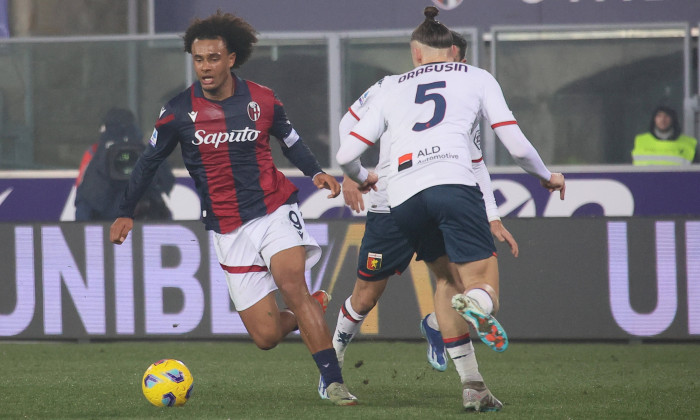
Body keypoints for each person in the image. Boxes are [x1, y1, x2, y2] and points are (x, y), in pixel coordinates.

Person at [108, 11, 357, 406]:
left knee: (292, 282)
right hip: (228, 227)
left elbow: (289, 139)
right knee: (266, 337)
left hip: (274, 207)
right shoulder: (176, 112)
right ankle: (315, 306)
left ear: (231, 59)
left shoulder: (263, 99)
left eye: (212, 58)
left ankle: (333, 381)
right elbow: (147, 162)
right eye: (198, 58)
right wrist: (125, 210)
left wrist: (316, 172)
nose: (204, 67)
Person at [336, 6, 565, 411]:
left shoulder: (391, 86)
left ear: (416, 52)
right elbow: (514, 145)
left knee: (444, 278)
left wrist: (359, 175)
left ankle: (473, 386)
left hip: (402, 196)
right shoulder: (477, 78)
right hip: (451, 185)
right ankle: (477, 305)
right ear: (454, 51)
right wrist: (546, 176)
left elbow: (347, 151)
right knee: (479, 285)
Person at [75, 108, 175, 221]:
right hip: (139, 216)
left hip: (106, 218)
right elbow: (166, 181)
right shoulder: (143, 149)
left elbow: (84, 196)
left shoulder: (96, 152)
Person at [631, 105, 698, 165]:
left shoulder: (688, 143)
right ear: (654, 119)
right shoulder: (640, 141)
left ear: (673, 119)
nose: (662, 119)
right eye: (659, 116)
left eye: (667, 116)